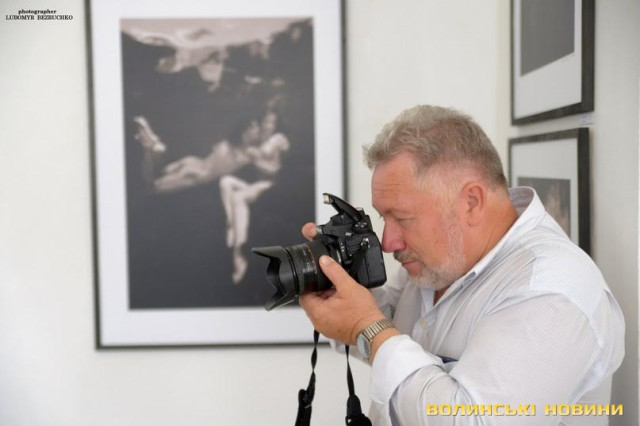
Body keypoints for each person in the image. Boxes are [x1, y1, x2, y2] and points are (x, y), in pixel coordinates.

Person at [298, 105, 624, 425]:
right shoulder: (438, 259)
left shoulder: (551, 291)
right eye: (385, 218)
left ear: (471, 202)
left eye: (404, 218)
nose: (388, 242)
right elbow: (391, 330)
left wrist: (366, 326)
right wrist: (335, 278)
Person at [220, 110, 290, 283]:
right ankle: (230, 224)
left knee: (238, 197)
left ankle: (240, 254)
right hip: (258, 185)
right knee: (226, 181)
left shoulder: (278, 139)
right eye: (265, 122)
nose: (268, 126)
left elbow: (272, 167)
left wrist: (254, 157)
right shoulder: (257, 143)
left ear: (277, 125)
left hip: (272, 185)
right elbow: (242, 157)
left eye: (272, 122)